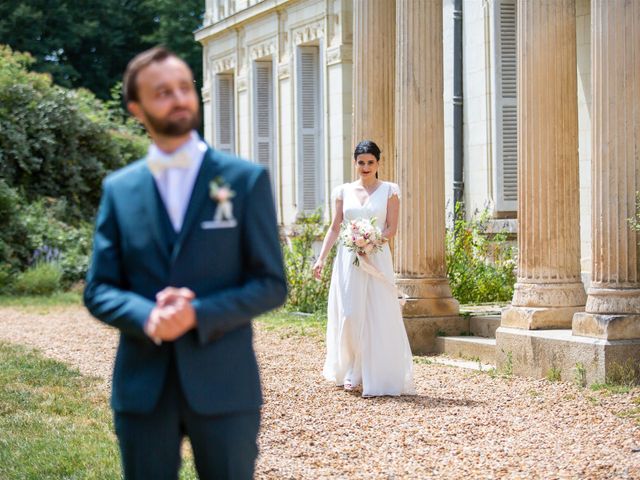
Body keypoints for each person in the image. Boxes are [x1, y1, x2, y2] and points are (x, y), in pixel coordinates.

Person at [83, 46, 287, 480]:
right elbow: (99, 289)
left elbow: (271, 283)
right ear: (137, 109)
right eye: (162, 93)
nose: (178, 98)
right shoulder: (120, 189)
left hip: (225, 385)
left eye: (183, 87)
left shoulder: (244, 180)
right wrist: (148, 316)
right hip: (142, 389)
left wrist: (198, 313)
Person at [312, 140, 415, 397]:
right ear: (355, 163)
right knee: (350, 312)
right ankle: (348, 365)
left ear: (378, 163)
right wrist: (321, 259)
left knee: (377, 314)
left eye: (370, 162)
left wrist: (371, 241)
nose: (365, 167)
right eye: (361, 162)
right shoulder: (343, 191)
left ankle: (367, 372)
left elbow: (391, 228)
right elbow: (336, 227)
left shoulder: (390, 190)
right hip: (348, 259)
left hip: (377, 257)